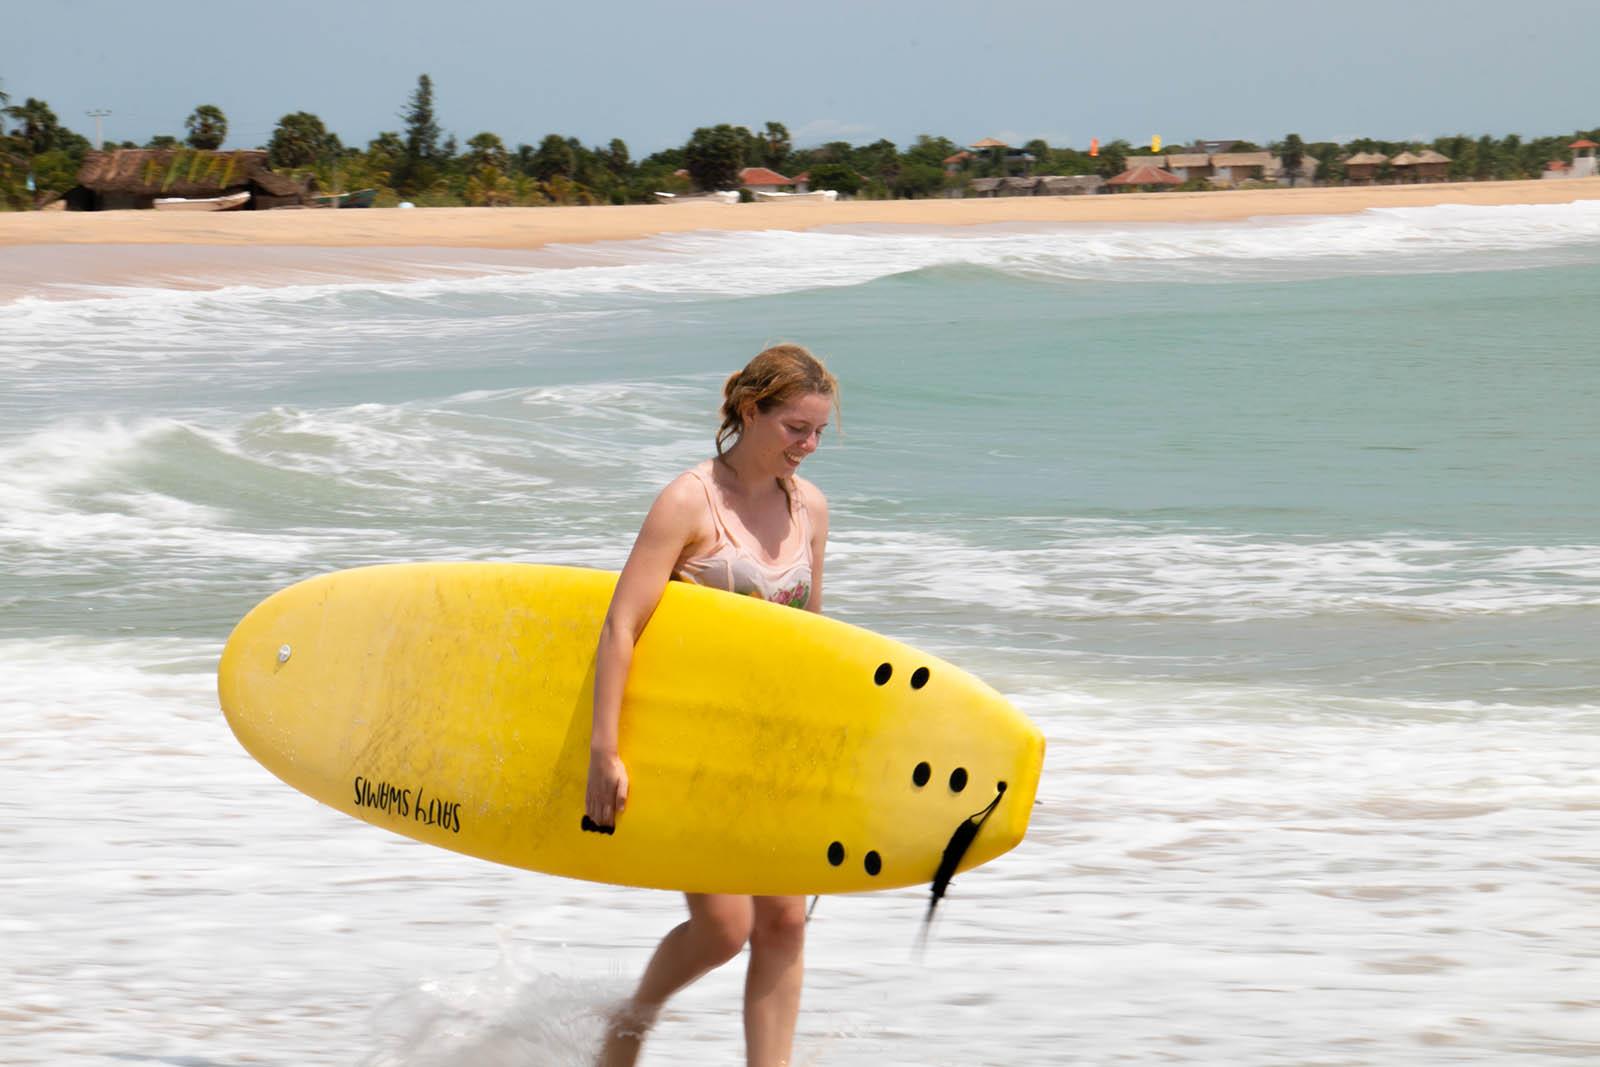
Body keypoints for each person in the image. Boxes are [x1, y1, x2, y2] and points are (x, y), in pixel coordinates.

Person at [587, 343, 838, 1067]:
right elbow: (620, 624)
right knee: (726, 927)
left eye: (818, 431)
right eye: (795, 427)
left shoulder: (810, 509)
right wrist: (605, 750)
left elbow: (816, 639)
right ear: (750, 411)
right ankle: (629, 1022)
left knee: (787, 920)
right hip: (692, 744)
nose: (809, 445)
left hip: (775, 745)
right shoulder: (689, 501)